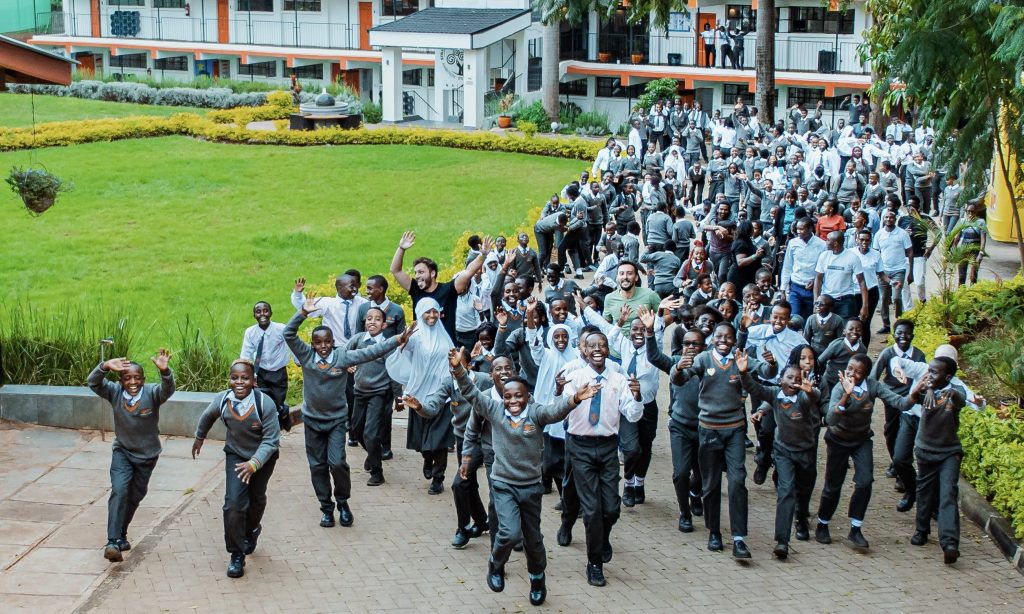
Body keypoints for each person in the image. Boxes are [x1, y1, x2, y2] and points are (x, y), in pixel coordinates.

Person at [450, 347, 598, 605]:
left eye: (519, 396)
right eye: (508, 396)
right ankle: (496, 564)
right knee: (509, 533)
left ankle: (537, 578)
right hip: (503, 484)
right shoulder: (494, 410)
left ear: (527, 397)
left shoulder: (536, 413)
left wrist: (575, 398)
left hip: (531, 487)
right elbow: (471, 393)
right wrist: (458, 369)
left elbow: (555, 411)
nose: (513, 401)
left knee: (533, 539)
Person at [285, 297, 409, 528]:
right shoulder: (306, 356)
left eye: (327, 342)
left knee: (338, 463)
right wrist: (302, 312)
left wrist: (397, 339)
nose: (323, 346)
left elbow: (372, 352)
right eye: (318, 343)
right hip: (312, 421)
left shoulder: (342, 357)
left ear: (333, 343)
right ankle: (326, 508)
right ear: (312, 344)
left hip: (335, 421)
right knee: (317, 466)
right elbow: (288, 334)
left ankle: (342, 502)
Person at [671, 323, 775, 559]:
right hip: (708, 429)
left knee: (737, 481)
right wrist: (678, 367)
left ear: (734, 340)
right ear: (712, 339)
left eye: (728, 337)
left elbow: (766, 372)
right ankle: (714, 531)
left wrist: (771, 364)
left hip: (734, 429)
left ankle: (739, 538)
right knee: (711, 484)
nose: (724, 341)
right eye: (719, 336)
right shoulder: (704, 359)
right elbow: (680, 379)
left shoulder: (740, 358)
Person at [561, 331, 643, 587]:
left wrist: (637, 397)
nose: (597, 349)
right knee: (592, 510)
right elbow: (561, 407)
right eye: (592, 345)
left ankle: (602, 536)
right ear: (584, 351)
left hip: (607, 447)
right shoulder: (575, 377)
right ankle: (594, 563)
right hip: (580, 446)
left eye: (603, 345)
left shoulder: (618, 379)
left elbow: (632, 414)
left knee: (611, 508)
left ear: (608, 350)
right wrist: (571, 395)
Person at [192, 359, 280, 578]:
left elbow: (271, 440)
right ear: (229, 380)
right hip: (236, 455)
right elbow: (207, 416)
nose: (239, 382)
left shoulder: (264, 404)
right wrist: (199, 437)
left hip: (263, 458)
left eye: (245, 378)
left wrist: (254, 464)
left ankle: (252, 530)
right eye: (235, 378)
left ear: (254, 381)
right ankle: (236, 554)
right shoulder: (223, 400)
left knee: (256, 499)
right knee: (233, 504)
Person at [814, 354, 911, 549]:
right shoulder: (840, 387)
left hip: (861, 440)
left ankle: (855, 528)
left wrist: (916, 393)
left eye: (858, 372)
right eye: (850, 368)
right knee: (833, 485)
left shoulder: (873, 386)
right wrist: (846, 395)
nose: (852, 374)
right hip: (838, 439)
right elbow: (831, 419)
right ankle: (822, 524)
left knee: (865, 481)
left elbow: (900, 402)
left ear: (866, 375)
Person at [87, 349, 175, 562]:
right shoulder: (115, 392)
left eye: (137, 378)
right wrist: (104, 366)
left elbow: (167, 390)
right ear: (121, 381)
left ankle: (121, 534)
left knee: (135, 496)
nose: (132, 382)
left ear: (143, 380)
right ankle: (112, 542)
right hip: (123, 452)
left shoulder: (152, 394)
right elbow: (93, 383)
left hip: (147, 456)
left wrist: (165, 372)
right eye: (127, 378)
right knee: (119, 490)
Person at [741, 358, 820, 559]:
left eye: (798, 379)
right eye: (789, 377)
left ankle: (801, 517)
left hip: (806, 452)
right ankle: (782, 541)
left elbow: (813, 397)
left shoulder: (803, 398)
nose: (794, 381)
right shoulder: (774, 394)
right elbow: (755, 388)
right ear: (780, 381)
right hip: (783, 451)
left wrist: (810, 391)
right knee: (786, 492)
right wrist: (743, 373)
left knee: (804, 490)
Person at [386, 298, 455, 495]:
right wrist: (405, 337)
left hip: (442, 396)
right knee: (423, 441)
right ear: (420, 313)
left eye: (435, 311)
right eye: (427, 312)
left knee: (440, 441)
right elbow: (403, 349)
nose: (432, 315)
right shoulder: (416, 337)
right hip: (419, 396)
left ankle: (438, 479)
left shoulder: (444, 336)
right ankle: (427, 458)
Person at [646, 321, 704, 532]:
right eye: (687, 343)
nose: (690, 347)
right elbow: (654, 357)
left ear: (704, 347)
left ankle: (695, 494)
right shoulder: (676, 362)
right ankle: (684, 513)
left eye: (695, 344)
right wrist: (650, 332)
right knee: (681, 473)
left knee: (702, 474)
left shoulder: (710, 364)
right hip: (680, 426)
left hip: (706, 428)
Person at [390, 230, 492, 343]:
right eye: (416, 273)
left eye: (421, 272)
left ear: (432, 273)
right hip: (422, 348)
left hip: (447, 349)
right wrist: (401, 248)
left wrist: (483, 255)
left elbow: (468, 272)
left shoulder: (448, 290)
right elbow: (396, 271)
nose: (417, 276)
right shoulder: (415, 289)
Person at [871, 319, 926, 493]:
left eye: (907, 333)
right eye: (899, 333)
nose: (903, 336)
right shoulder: (888, 353)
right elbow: (873, 376)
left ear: (913, 336)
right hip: (892, 399)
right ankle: (895, 461)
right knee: (891, 431)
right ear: (893, 335)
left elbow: (923, 377)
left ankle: (902, 473)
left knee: (906, 434)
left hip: (911, 400)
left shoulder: (919, 355)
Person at [347, 307, 399, 486]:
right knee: (356, 429)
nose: (372, 322)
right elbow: (343, 355)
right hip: (359, 391)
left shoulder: (386, 345)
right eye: (369, 318)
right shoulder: (358, 339)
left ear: (384, 325)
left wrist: (398, 397)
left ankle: (377, 473)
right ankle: (372, 454)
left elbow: (394, 372)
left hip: (378, 393)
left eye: (377, 319)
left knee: (370, 433)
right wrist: (347, 365)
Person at [240, 301, 290, 429]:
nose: (262, 314)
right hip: (261, 372)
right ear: (254, 315)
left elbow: (292, 344)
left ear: (271, 313)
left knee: (277, 401)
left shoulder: (280, 329)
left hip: (278, 371)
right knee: (263, 403)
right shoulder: (250, 332)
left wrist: (298, 360)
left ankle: (283, 411)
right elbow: (246, 354)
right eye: (258, 312)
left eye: (265, 311)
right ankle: (270, 432)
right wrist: (249, 375)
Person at [813, 230, 869, 322]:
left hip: (845, 300)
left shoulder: (852, 257)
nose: (825, 242)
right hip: (826, 300)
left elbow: (862, 282)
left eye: (828, 240)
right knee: (827, 328)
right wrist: (816, 302)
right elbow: (818, 279)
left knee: (845, 328)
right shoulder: (824, 256)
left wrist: (865, 306)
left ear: (835, 243)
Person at [873, 209, 914, 334]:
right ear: (883, 219)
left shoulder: (902, 234)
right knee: (884, 299)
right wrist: (876, 270)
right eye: (886, 217)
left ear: (895, 219)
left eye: (891, 217)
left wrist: (911, 272)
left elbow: (910, 252)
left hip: (899, 270)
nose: (888, 219)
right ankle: (886, 325)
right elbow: (876, 253)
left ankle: (899, 321)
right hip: (883, 270)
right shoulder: (879, 234)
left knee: (896, 297)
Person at [601, 260, 662, 339]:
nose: (625, 277)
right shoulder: (609, 298)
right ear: (617, 277)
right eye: (621, 273)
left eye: (629, 273)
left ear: (636, 277)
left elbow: (666, 316)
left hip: (645, 343)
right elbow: (606, 324)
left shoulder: (650, 294)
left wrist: (652, 326)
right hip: (619, 345)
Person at [781, 218, 827, 320]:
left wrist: (815, 280)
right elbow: (787, 266)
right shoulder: (793, 243)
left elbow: (824, 269)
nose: (798, 232)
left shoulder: (822, 245)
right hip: (795, 287)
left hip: (812, 290)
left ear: (810, 229)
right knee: (793, 319)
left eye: (802, 229)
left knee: (808, 320)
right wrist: (783, 289)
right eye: (797, 229)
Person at [948, 201, 987, 286]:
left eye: (972, 211)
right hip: (963, 249)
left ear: (976, 211)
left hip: (975, 250)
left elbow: (983, 239)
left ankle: (972, 292)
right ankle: (961, 291)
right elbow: (957, 237)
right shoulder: (963, 221)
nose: (970, 213)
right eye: (968, 211)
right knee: (961, 275)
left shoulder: (981, 222)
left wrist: (981, 253)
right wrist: (953, 250)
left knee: (973, 276)